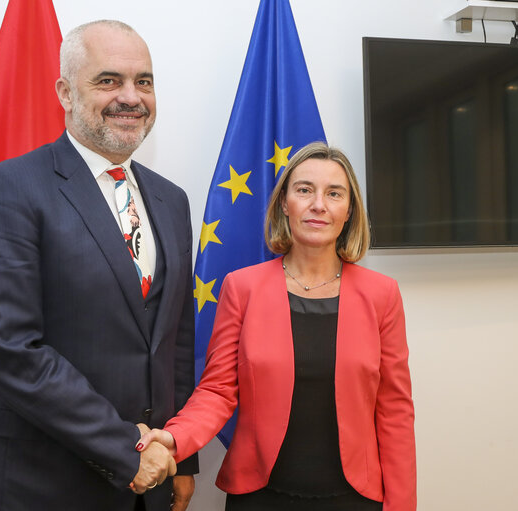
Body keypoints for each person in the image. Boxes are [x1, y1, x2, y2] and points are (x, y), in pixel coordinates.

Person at [0, 20, 198, 511]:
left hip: (150, 481)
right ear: (65, 92)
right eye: (108, 81)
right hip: (37, 482)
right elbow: (8, 348)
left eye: (143, 81)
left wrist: (180, 453)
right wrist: (127, 451)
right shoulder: (11, 188)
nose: (131, 96)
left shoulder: (172, 200)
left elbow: (175, 340)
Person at [138, 142, 416, 510]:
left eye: (334, 193)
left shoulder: (382, 295)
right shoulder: (242, 287)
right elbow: (217, 392)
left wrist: (402, 505)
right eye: (304, 190)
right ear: (285, 203)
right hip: (259, 497)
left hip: (355, 498)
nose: (319, 204)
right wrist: (175, 438)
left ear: (349, 211)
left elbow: (394, 411)